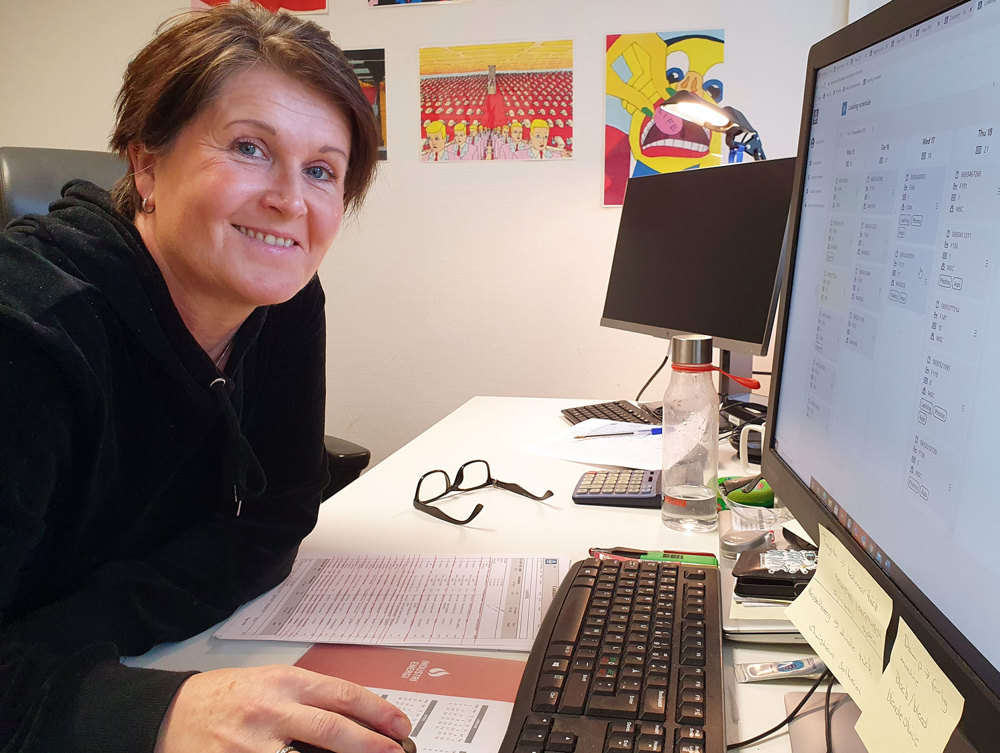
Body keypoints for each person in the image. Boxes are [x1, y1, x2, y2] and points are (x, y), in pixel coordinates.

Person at [0, 4, 413, 753]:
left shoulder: (280, 298)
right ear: (146, 164)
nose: (291, 201)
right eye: (251, 148)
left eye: (322, 170)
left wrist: (76, 637)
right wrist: (154, 711)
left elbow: (276, 517)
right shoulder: (28, 332)